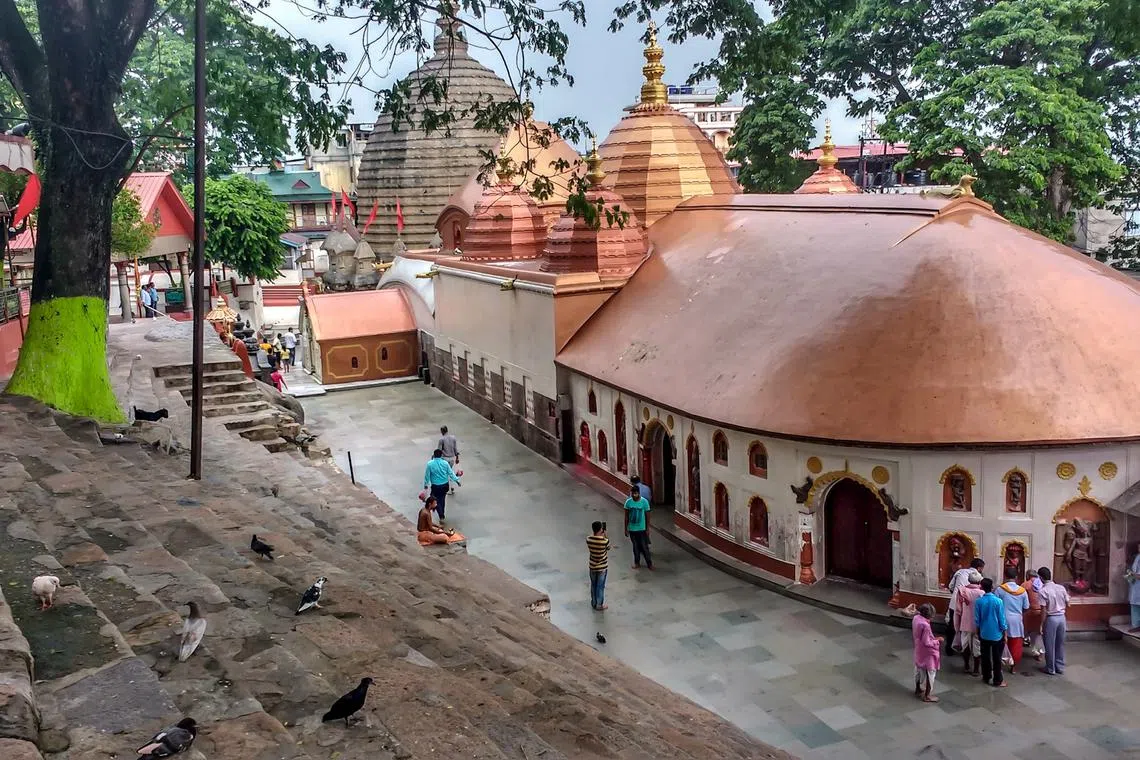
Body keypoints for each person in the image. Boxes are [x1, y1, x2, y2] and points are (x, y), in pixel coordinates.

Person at [945, 557, 984, 654]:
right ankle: (965, 649)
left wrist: (957, 594)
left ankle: (949, 648)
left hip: (954, 603)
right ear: (979, 568)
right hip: (968, 606)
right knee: (966, 629)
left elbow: (951, 587)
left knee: (952, 626)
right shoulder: (979, 577)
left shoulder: (960, 572)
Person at [974, 577, 1008, 687]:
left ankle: (986, 676)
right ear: (992, 587)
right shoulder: (998, 601)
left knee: (985, 656)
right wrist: (1005, 633)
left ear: (982, 587)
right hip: (996, 634)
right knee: (997, 658)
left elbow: (977, 619)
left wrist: (978, 631)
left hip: (984, 632)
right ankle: (997, 680)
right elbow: (1002, 619)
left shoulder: (979, 601)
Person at [996, 566, 1030, 674]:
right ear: (1016, 576)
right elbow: (1026, 607)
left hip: (1002, 619)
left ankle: (1000, 664)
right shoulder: (1022, 591)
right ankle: (1013, 667)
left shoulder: (1000, 589)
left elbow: (995, 605)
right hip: (1016, 620)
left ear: (1005, 576)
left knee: (1001, 642)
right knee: (1015, 644)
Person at [950, 569, 984, 675]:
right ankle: (976, 669)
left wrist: (956, 626)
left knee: (965, 645)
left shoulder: (962, 591)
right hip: (978, 625)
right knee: (977, 646)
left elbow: (958, 611)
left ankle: (966, 666)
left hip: (964, 623)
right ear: (979, 582)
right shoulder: (982, 593)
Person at [1037, 566, 1070, 675]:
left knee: (1049, 644)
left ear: (1041, 578)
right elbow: (1068, 604)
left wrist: (1041, 624)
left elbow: (1043, 610)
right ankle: (1060, 666)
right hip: (1062, 617)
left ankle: (1050, 668)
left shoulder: (1043, 591)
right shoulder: (1061, 588)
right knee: (1060, 643)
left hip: (1051, 619)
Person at [912, 603, 942, 702]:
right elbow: (927, 642)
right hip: (928, 652)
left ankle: (917, 688)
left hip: (918, 647)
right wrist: (937, 641)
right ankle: (927, 695)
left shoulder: (916, 618)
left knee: (918, 668)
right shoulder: (925, 625)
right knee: (931, 671)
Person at [423, 449, 460, 521]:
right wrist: (457, 480)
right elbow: (451, 473)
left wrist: (426, 484)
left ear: (434, 455)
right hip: (444, 485)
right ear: (441, 455)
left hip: (435, 486)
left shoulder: (430, 464)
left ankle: (441, 514)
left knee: (433, 499)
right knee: (442, 499)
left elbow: (427, 475)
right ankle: (442, 513)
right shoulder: (445, 463)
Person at [624, 484, 653, 570]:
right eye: (633, 493)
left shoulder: (644, 502)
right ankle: (637, 563)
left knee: (644, 547)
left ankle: (649, 563)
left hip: (642, 529)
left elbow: (648, 516)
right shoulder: (628, 502)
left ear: (639, 493)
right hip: (632, 529)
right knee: (635, 547)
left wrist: (647, 528)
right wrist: (626, 529)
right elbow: (626, 517)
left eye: (636, 493)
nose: (634, 495)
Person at [1021, 568, 1044, 659]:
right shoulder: (1042, 584)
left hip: (1029, 611)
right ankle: (1040, 653)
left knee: (1027, 630)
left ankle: (1025, 643)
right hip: (1041, 611)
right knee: (1039, 633)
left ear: (1028, 576)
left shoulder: (1025, 585)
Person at [587, 521, 610, 611]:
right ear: (601, 530)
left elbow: (591, 536)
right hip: (602, 567)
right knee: (600, 586)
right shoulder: (604, 541)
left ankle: (593, 602)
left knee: (593, 585)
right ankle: (599, 605)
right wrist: (605, 535)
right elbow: (608, 547)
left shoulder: (589, 539)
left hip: (592, 566)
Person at [438, 426, 459, 494]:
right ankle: (452, 486)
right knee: (451, 472)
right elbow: (455, 448)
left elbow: (439, 450)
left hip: (445, 458)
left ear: (442, 431)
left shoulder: (441, 439)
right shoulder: (453, 438)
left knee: (445, 473)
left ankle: (448, 488)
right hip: (452, 458)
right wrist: (457, 457)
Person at [1127, 542, 1140, 633]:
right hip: (1135, 584)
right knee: (1135, 604)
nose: (1139, 550)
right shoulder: (1137, 557)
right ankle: (1136, 625)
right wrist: (1130, 574)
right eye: (1139, 548)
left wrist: (1135, 575)